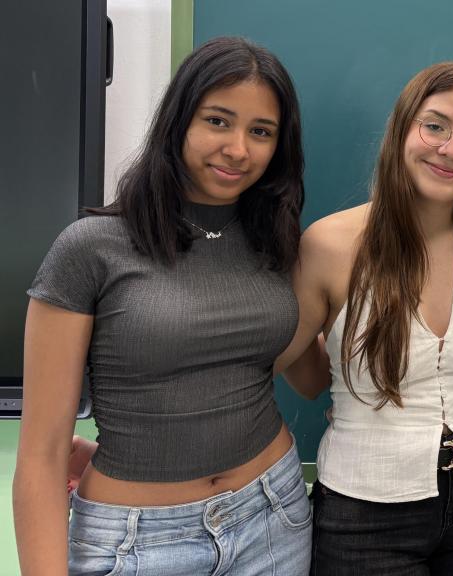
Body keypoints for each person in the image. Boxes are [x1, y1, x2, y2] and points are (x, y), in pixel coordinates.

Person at [13, 37, 312, 575]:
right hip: (138, 543)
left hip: (275, 516)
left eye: (260, 132)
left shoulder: (275, 240)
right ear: (178, 122)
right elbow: (39, 456)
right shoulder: (91, 248)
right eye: (218, 121)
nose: (238, 149)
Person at [280, 62, 453, 575]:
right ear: (402, 129)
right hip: (363, 510)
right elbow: (303, 379)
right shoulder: (331, 244)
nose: (451, 149)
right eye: (435, 125)